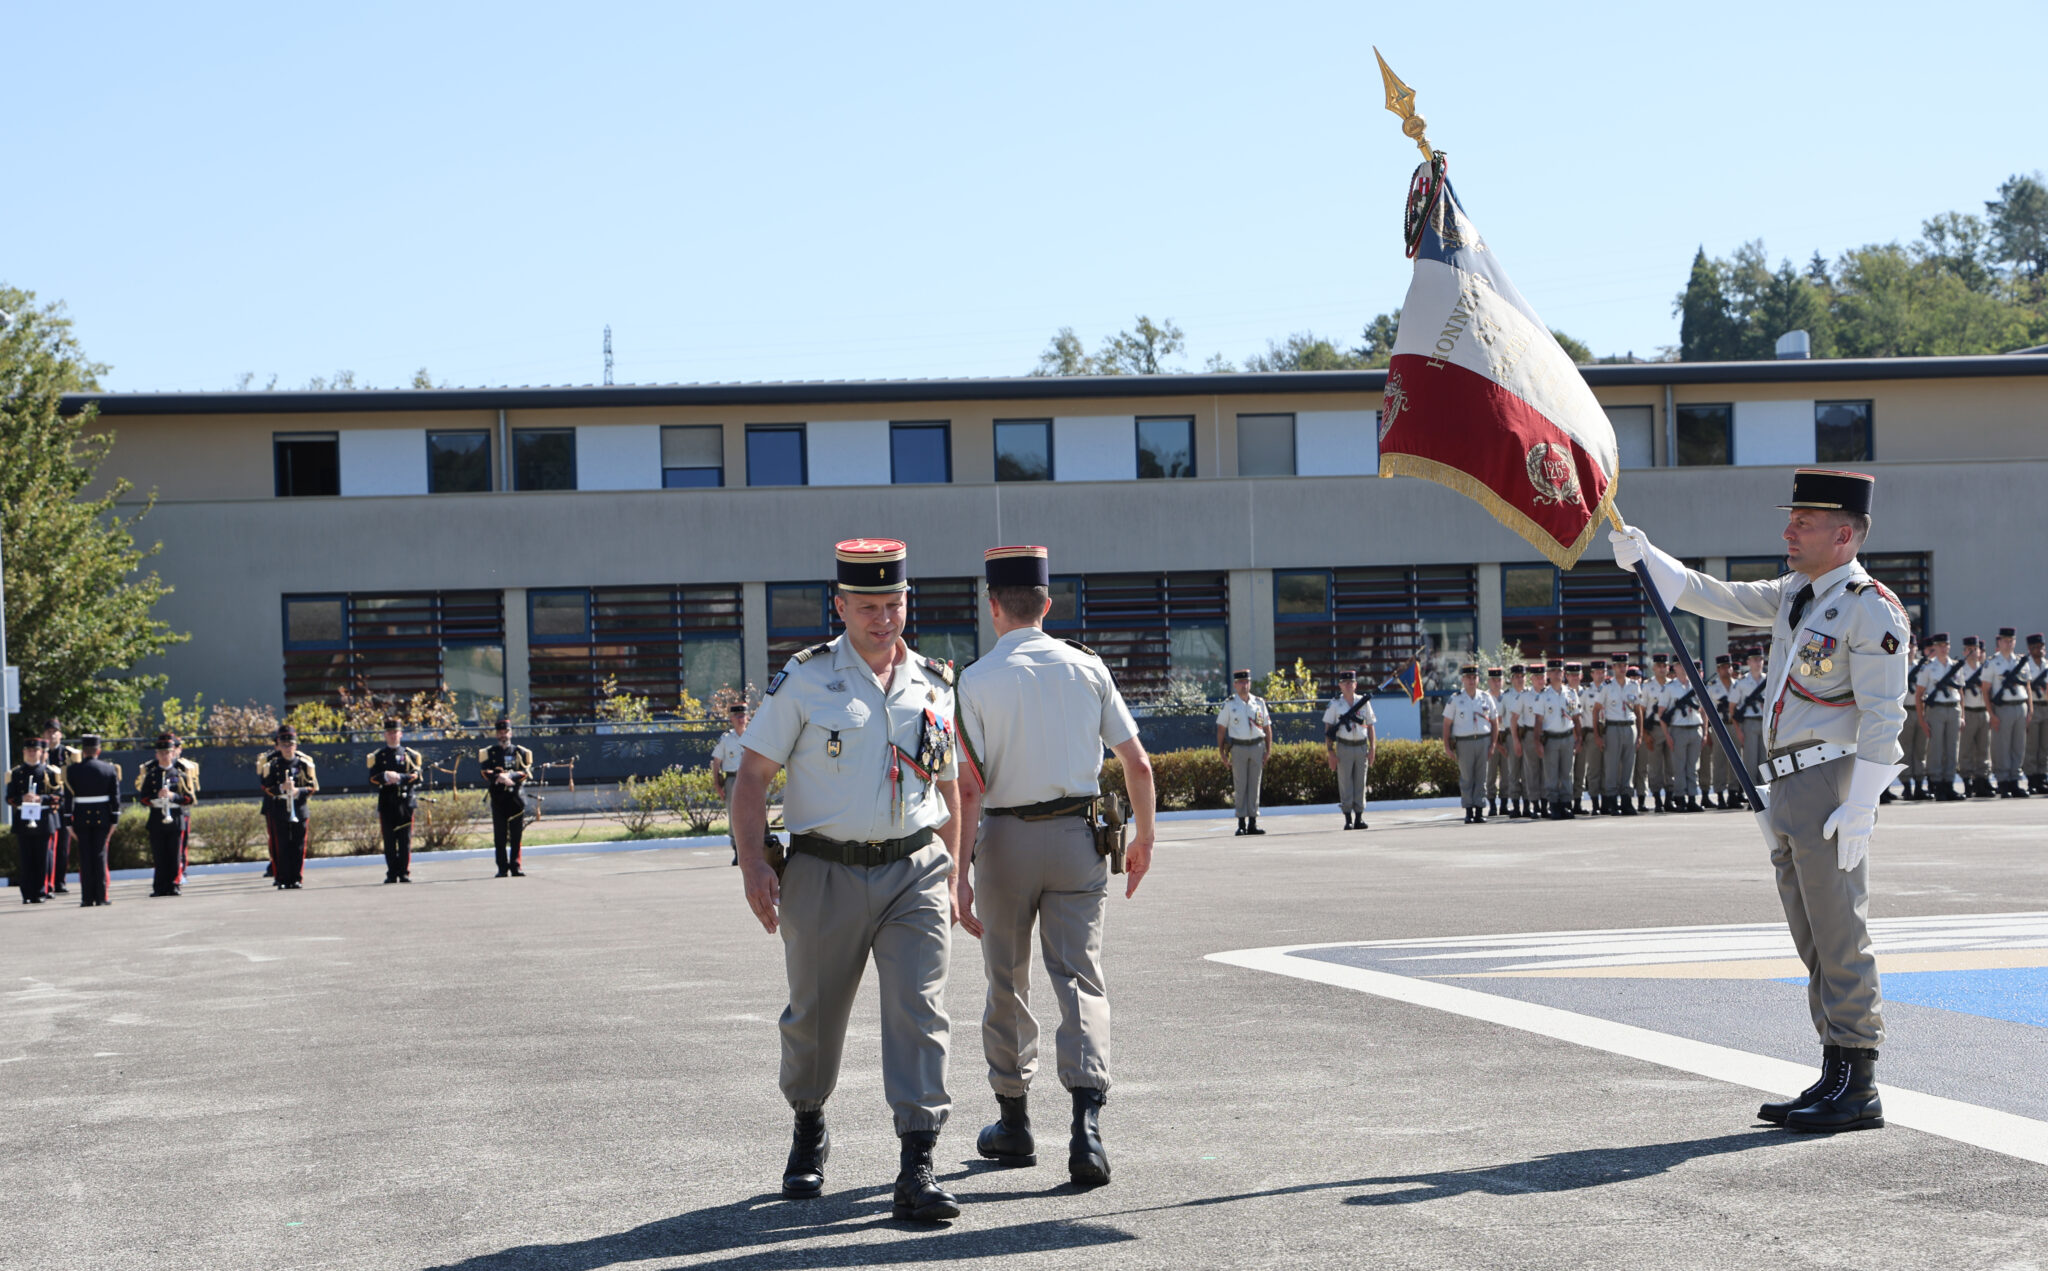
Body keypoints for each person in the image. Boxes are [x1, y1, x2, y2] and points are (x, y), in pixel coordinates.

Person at [1614, 467, 1908, 1133]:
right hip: (1790, 783)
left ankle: (1858, 1083)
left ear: (1845, 533)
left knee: (1840, 930)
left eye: (1803, 522)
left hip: (1832, 782)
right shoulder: (1795, 595)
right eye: (1792, 518)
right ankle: (1835, 1069)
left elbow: (1884, 717)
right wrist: (1649, 556)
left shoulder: (1871, 608)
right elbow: (1710, 594)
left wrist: (1862, 804)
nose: (1789, 529)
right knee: (1811, 935)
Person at [728, 537, 964, 1222]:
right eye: (868, 605)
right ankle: (809, 1122)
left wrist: (953, 875)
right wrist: (751, 863)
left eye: (894, 603)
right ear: (841, 606)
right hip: (823, 872)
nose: (883, 617)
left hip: (913, 872)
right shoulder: (806, 679)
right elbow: (750, 779)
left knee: (920, 1010)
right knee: (814, 1017)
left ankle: (917, 1163)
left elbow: (946, 786)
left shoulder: (934, 684)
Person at [954, 544, 1157, 1188]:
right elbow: (1138, 763)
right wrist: (1145, 838)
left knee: (1007, 980)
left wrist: (959, 874)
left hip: (1006, 841)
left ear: (993, 608)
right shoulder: (1087, 669)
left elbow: (968, 789)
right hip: (1077, 837)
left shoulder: (976, 679)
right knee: (1080, 978)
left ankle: (1014, 1124)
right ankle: (1086, 1129)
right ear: (1047, 604)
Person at [136, 732, 199, 897]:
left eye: (167, 753)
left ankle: (174, 884)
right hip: (157, 818)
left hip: (175, 818)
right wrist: (157, 796)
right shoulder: (151, 775)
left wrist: (173, 797)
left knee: (174, 854)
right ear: (157, 755)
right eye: (161, 753)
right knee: (159, 855)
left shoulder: (180, 775)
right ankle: (159, 886)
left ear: (173, 753)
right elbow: (143, 797)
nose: (164, 756)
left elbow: (189, 798)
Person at [65, 735, 122, 907]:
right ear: (99, 750)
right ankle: (101, 896)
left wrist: (68, 822)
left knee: (85, 857)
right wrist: (115, 820)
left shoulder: (72, 770)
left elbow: (68, 798)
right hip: (102, 817)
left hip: (81, 817)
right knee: (100, 856)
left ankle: (87, 898)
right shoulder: (109, 769)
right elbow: (115, 799)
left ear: (83, 751)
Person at [259, 726, 318, 889]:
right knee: (282, 846)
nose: (287, 748)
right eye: (283, 745)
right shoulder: (272, 765)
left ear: (295, 746)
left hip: (299, 808)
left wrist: (298, 790)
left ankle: (297, 877)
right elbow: (266, 787)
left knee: (298, 846)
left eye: (290, 745)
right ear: (278, 745)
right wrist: (281, 789)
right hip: (279, 808)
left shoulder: (304, 764)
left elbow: (313, 787)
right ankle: (283, 878)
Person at [1215, 669, 1272, 836]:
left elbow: (1267, 727)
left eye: (1246, 682)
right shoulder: (1230, 704)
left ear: (1250, 683)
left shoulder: (1259, 703)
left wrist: (1268, 749)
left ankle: (1253, 822)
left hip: (1257, 746)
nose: (1244, 685)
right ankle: (1241, 823)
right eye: (1240, 682)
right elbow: (1221, 729)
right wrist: (1222, 753)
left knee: (1255, 784)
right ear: (1235, 685)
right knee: (1240, 785)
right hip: (1238, 747)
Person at [7, 737, 63, 902]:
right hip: (24, 819)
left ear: (41, 752)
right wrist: (22, 798)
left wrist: (41, 799)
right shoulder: (17, 774)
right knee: (26, 859)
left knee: (42, 858)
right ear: (24, 752)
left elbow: (59, 797)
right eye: (29, 751)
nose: (32, 753)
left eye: (35, 750)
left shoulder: (50, 773)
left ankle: (39, 892)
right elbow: (9, 797)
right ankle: (27, 893)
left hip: (44, 818)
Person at [368, 718, 423, 883]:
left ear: (401, 734)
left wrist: (399, 777)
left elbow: (417, 776)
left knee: (405, 840)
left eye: (395, 732)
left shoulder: (410, 754)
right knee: (389, 840)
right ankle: (392, 872)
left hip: (405, 803)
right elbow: (372, 778)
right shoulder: (378, 756)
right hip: (387, 802)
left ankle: (404, 872)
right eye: (389, 733)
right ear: (385, 735)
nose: (392, 736)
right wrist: (385, 776)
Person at [1443, 665, 1498, 824]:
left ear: (1478, 679)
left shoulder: (1486, 698)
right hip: (1464, 742)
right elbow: (1447, 724)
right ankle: (1468, 811)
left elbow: (1494, 722)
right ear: (1463, 679)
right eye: (1468, 678)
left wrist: (1493, 744)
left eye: (1474, 677)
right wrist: (1447, 747)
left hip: (1483, 740)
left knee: (1481, 777)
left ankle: (1479, 810)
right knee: (1467, 777)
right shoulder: (1456, 699)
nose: (1471, 681)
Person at [1323, 670, 1377, 831]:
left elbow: (1370, 726)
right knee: (1345, 782)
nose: (1348, 685)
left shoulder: (1363, 702)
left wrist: (1372, 747)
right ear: (1340, 685)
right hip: (1344, 746)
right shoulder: (1335, 704)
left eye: (1351, 683)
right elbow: (1328, 728)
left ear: (1355, 684)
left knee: (1361, 782)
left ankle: (1359, 817)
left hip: (1361, 746)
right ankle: (1348, 818)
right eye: (1345, 683)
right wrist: (1330, 751)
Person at [479, 719, 533, 877]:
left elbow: (525, 772)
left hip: (515, 799)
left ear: (511, 733)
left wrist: (511, 776)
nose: (503, 735)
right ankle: (502, 868)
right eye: (500, 733)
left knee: (516, 835)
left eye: (506, 732)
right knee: (500, 837)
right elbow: (485, 772)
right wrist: (500, 777)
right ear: (496, 734)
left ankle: (516, 866)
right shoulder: (490, 752)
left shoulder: (519, 752)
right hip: (498, 798)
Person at [1915, 633, 1964, 800]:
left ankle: (1949, 784)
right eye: (1940, 645)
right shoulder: (1928, 668)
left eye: (1946, 645)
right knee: (1936, 749)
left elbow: (1960, 691)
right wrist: (1922, 719)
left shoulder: (1955, 666)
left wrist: (1962, 714)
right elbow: (1919, 694)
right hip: (1935, 710)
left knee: (1952, 748)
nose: (1944, 648)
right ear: (1934, 647)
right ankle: (1936, 784)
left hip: (1954, 709)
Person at [1983, 628, 2031, 798]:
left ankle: (2015, 781)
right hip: (2002, 708)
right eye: (2005, 640)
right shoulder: (1992, 663)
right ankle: (2003, 782)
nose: (2008, 643)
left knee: (2018, 746)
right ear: (1999, 642)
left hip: (2020, 706)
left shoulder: (2020, 661)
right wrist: (1992, 714)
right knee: (2002, 747)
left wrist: (2030, 709)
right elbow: (1985, 690)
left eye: (2011, 640)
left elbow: (2027, 686)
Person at [1593, 661, 1641, 817]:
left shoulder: (1633, 685)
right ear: (1613, 667)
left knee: (1629, 766)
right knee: (1611, 766)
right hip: (1612, 727)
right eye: (1619, 665)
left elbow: (1638, 710)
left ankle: (1627, 802)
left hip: (1629, 726)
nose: (1622, 668)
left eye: (1624, 665)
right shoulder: (1606, 686)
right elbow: (1596, 710)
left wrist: (1640, 734)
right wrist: (1597, 735)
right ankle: (1612, 802)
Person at [1533, 659, 1576, 820]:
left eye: (1560, 671)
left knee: (1566, 774)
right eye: (1554, 672)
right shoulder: (1543, 696)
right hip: (1550, 739)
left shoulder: (1570, 693)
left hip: (1567, 737)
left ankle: (1566, 805)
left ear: (1563, 673)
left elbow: (1576, 717)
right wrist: (1537, 742)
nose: (1557, 674)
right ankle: (1554, 806)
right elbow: (1538, 721)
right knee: (1551, 775)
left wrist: (1578, 739)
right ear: (1548, 675)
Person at [712, 702, 751, 866]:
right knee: (734, 817)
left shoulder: (754, 736)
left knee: (754, 815)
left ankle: (756, 850)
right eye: (738, 716)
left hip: (751, 779)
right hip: (733, 779)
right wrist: (717, 784)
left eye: (743, 716)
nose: (741, 719)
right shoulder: (726, 739)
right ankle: (737, 851)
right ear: (732, 719)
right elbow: (716, 761)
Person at [41, 720, 74, 896]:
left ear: (60, 734)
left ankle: (60, 881)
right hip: (47, 806)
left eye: (55, 732)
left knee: (63, 846)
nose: (52, 735)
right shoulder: (41, 754)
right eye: (49, 732)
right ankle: (49, 882)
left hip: (64, 805)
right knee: (49, 847)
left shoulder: (67, 754)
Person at [1732, 650, 1770, 804]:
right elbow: (1732, 709)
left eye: (1760, 659)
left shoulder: (1769, 679)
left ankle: (1765, 795)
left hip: (1764, 722)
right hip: (1748, 722)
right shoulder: (1741, 683)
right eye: (1754, 659)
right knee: (1751, 762)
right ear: (1748, 662)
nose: (1758, 662)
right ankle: (1753, 797)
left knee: (1764, 762)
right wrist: (1738, 730)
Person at [1957, 637, 1992, 797]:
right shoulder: (1960, 669)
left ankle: (1981, 781)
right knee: (1966, 749)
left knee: (1983, 749)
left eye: (1975, 649)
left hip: (1983, 711)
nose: (1973, 652)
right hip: (1969, 711)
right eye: (1969, 649)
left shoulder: (1985, 668)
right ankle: (1966, 781)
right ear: (1964, 651)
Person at [1572, 661, 1602, 815]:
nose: (1574, 678)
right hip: (1569, 735)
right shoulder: (1562, 693)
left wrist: (1580, 737)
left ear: (1581, 676)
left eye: (1576, 675)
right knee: (1567, 772)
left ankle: (1577, 802)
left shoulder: (1584, 693)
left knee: (1581, 771)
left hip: (1584, 735)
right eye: (1571, 675)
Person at [1482, 667, 1508, 818]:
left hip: (1506, 737)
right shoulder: (1484, 698)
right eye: (1494, 680)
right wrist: (1496, 744)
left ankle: (1504, 805)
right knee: (1491, 774)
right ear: (1489, 681)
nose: (1497, 683)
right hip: (1491, 739)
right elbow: (1488, 722)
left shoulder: (1508, 696)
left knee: (1506, 773)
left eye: (1499, 680)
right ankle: (1492, 805)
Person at [2025, 635, 2048, 796]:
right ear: (2029, 649)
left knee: (2045, 745)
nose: (2038, 650)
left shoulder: (2046, 665)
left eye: (2041, 646)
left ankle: (2042, 776)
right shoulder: (2026, 666)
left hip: (2046, 706)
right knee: (2032, 745)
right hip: (2034, 707)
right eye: (2035, 647)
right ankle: (2032, 778)